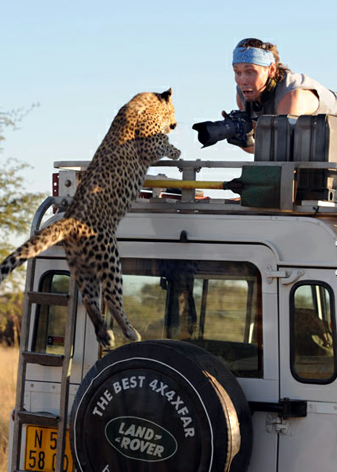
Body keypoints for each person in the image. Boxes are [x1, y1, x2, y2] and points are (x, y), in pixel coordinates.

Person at [193, 38, 337, 152]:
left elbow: (282, 149)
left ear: (271, 70)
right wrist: (241, 137)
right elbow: (260, 150)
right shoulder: (244, 95)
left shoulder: (292, 96)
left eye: (250, 72)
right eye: (237, 72)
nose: (242, 80)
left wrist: (257, 128)